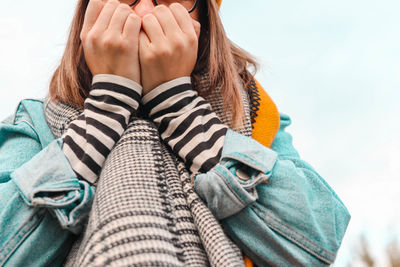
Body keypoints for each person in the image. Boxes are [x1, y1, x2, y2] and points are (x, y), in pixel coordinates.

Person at [0, 0, 351, 266]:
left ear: (205, 19)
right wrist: (105, 111)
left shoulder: (252, 115)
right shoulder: (36, 121)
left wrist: (179, 107)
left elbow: (318, 238)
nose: (145, 11)